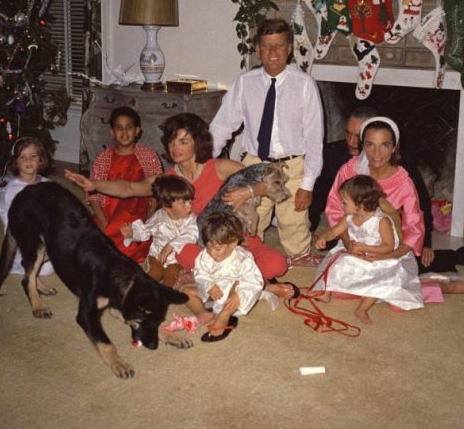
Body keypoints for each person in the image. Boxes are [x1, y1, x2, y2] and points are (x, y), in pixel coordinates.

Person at [65, 112, 299, 299]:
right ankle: (254, 285)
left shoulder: (219, 167)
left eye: (183, 141)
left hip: (235, 238)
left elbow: (267, 180)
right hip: (200, 246)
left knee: (277, 264)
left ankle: (227, 283)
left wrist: (247, 192)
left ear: (198, 143)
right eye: (171, 141)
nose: (175, 147)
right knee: (184, 253)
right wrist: (94, 184)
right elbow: (129, 188)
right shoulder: (168, 180)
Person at [310, 106, 464, 275]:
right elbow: (335, 209)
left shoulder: (403, 181)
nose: (376, 153)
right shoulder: (349, 170)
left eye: (384, 145)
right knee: (337, 272)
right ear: (363, 144)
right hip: (354, 238)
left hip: (389, 245)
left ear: (394, 147)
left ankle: (458, 257)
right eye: (370, 144)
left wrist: (392, 255)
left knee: (414, 266)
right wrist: (348, 243)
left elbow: (414, 224)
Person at [209, 17, 324, 257]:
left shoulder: (304, 84)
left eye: (279, 45)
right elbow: (222, 126)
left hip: (292, 167)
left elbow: (315, 138)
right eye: (266, 46)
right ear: (258, 49)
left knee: (294, 229)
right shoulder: (244, 82)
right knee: (247, 227)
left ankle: (299, 264)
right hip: (255, 165)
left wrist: (307, 185)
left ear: (289, 48)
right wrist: (203, 164)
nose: (273, 53)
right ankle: (250, 267)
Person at [312, 175, 423, 324]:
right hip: (356, 254)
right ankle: (326, 293)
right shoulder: (349, 217)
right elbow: (334, 231)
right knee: (337, 262)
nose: (341, 205)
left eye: (344, 202)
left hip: (378, 256)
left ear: (359, 204)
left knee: (382, 278)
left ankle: (362, 308)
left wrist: (366, 248)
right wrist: (324, 237)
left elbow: (388, 246)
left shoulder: (381, 221)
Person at [179, 211, 275, 342]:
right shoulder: (205, 255)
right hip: (214, 293)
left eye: (217, 249)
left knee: (240, 286)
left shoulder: (243, 259)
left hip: (232, 297)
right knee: (185, 291)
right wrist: (209, 285)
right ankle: (204, 314)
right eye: (208, 247)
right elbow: (200, 273)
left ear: (233, 243)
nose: (212, 253)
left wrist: (237, 294)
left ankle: (225, 315)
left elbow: (252, 281)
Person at [86, 106, 163, 263]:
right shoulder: (103, 158)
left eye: (129, 127)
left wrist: (149, 215)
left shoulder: (149, 156)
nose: (124, 132)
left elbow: (158, 189)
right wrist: (103, 221)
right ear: (112, 132)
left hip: (137, 211)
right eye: (119, 128)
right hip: (109, 210)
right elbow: (93, 194)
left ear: (137, 131)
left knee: (128, 240)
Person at [120, 175, 198, 288]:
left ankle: (163, 295)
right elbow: (146, 231)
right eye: (183, 203)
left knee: (171, 277)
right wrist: (132, 234)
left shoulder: (191, 219)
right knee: (153, 275)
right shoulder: (159, 216)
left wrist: (171, 245)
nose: (189, 206)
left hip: (176, 260)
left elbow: (191, 234)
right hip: (156, 255)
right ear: (167, 208)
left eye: (190, 201)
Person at [0, 136, 54, 276]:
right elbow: (9, 219)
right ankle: (19, 264)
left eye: (33, 156)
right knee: (45, 269)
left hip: (45, 234)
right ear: (16, 162)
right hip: (23, 238)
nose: (28, 161)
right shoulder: (12, 189)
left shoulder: (48, 184)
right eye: (22, 157)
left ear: (41, 159)